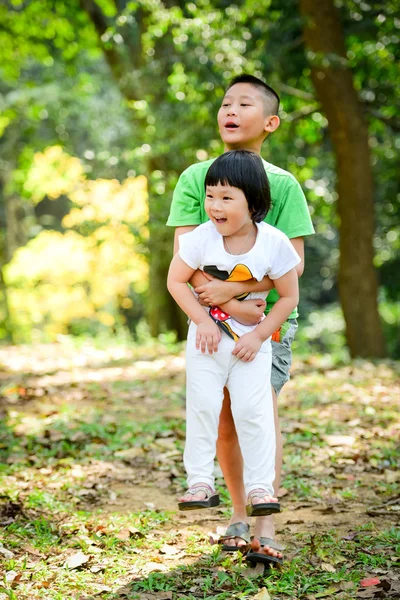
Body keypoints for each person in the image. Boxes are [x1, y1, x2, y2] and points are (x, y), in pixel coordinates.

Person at [167, 74, 314, 565]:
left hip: (264, 323)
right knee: (224, 419)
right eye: (225, 101)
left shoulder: (284, 185)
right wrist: (229, 300)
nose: (229, 110)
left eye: (243, 104)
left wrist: (242, 292)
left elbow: (290, 269)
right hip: (213, 319)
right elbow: (190, 263)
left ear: (269, 122)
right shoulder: (196, 177)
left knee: (259, 414)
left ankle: (266, 524)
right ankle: (235, 515)